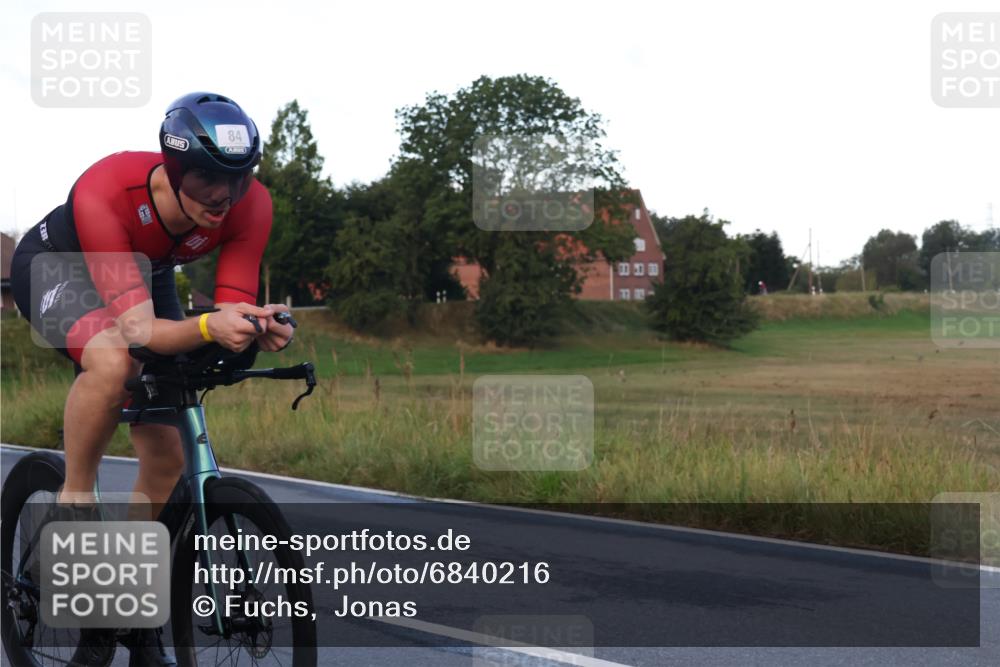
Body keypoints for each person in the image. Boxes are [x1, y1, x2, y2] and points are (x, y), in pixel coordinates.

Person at [9, 92, 294, 667]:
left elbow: (228, 310)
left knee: (165, 456)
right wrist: (211, 323)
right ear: (174, 167)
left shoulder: (249, 205)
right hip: (57, 268)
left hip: (146, 273)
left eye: (238, 178)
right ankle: (75, 494)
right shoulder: (108, 190)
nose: (226, 195)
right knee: (116, 359)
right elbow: (139, 329)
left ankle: (123, 617)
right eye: (211, 178)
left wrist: (257, 326)